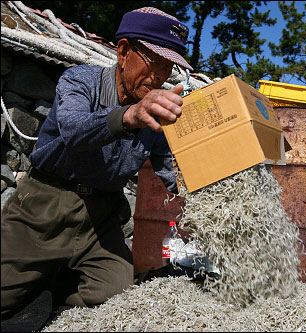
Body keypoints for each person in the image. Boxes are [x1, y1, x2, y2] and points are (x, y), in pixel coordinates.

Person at [1, 6, 193, 328]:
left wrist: (207, 186)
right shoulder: (79, 81)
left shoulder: (156, 113)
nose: (160, 75)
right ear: (123, 51)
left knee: (117, 295)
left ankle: (57, 281)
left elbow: (170, 173)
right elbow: (75, 131)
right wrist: (129, 116)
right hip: (42, 211)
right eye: (154, 61)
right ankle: (42, 274)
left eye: (168, 67)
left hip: (100, 222)